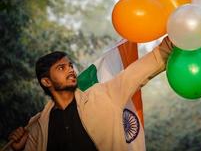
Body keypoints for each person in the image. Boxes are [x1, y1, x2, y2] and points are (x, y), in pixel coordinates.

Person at [7, 37, 173, 151]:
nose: (70, 70)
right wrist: (19, 149)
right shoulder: (38, 126)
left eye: (70, 65)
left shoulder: (102, 96)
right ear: (46, 82)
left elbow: (135, 74)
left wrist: (168, 46)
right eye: (61, 68)